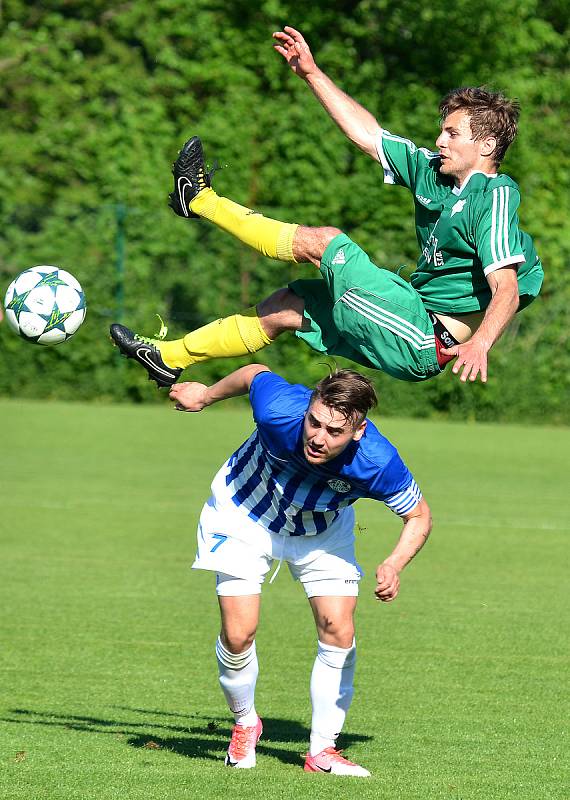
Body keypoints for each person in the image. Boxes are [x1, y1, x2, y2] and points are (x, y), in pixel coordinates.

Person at [110, 26, 542, 388]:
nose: (439, 141)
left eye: (451, 133)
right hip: (403, 314)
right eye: (441, 131)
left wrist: (482, 342)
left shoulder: (495, 195)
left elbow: (506, 286)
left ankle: (200, 200)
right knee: (286, 305)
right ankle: (169, 357)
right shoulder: (432, 171)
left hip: (424, 335)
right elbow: (368, 134)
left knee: (328, 242)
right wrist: (312, 73)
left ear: (486, 145)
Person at [170, 364, 432, 775]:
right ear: (309, 407)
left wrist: (394, 563)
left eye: (334, 432)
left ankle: (322, 751)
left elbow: (418, 516)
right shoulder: (279, 409)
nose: (317, 437)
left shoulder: (378, 462)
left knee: (338, 628)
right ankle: (245, 724)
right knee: (239, 633)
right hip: (243, 513)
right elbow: (255, 373)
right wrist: (204, 396)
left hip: (321, 531)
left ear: (357, 433)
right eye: (315, 422)